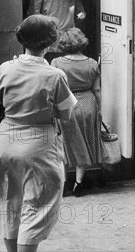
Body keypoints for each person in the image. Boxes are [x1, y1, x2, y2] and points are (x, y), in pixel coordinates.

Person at [0, 15, 78, 252]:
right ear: (50, 43)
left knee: (9, 199)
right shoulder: (54, 75)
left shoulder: (6, 68)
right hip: (39, 145)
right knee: (37, 206)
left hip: (6, 143)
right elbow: (66, 116)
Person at [51, 28, 102, 197]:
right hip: (88, 104)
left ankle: (64, 184)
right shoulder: (93, 63)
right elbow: (97, 89)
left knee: (64, 144)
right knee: (83, 144)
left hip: (66, 105)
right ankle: (78, 184)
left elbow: (53, 89)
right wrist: (99, 109)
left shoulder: (56, 63)